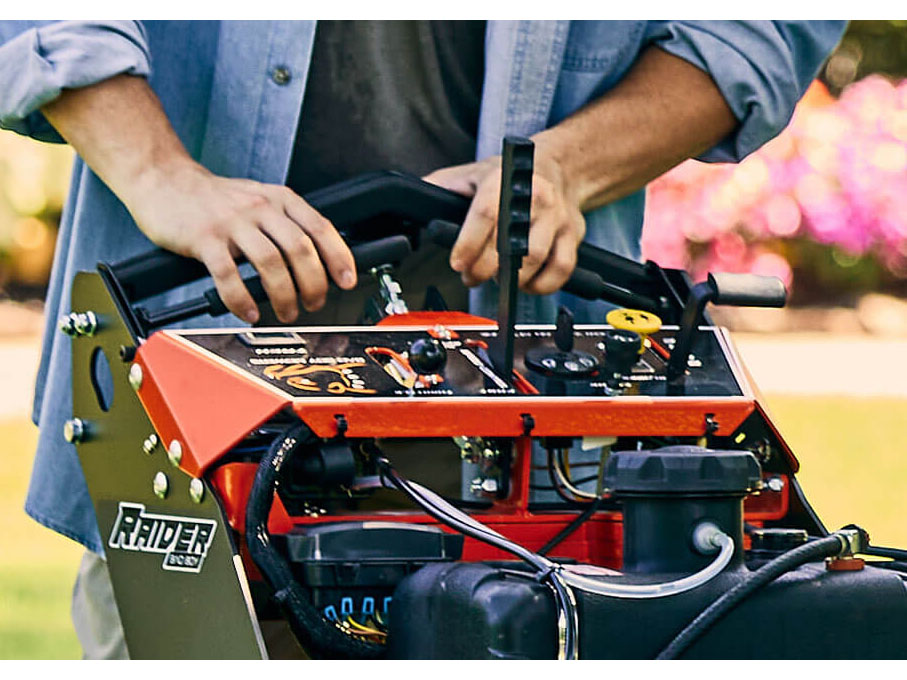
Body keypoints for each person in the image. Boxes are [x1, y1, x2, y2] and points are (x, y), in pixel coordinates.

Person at [0, 20, 846, 659]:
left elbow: (754, 27)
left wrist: (564, 168)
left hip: (554, 470)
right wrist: (159, 173)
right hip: (188, 414)